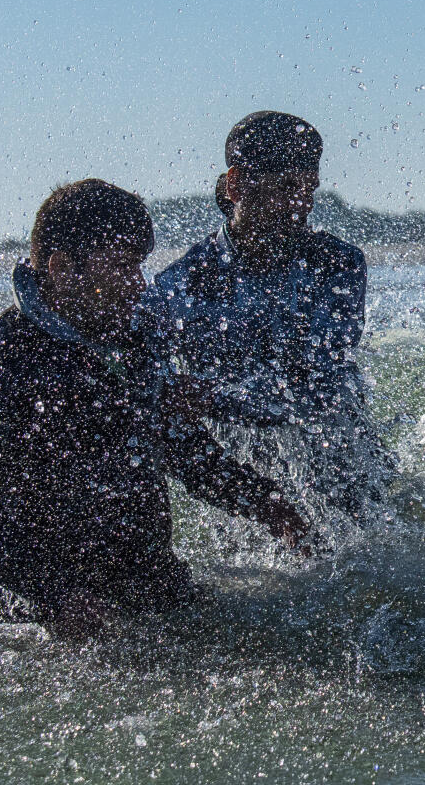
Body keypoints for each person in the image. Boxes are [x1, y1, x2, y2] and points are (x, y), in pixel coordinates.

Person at [0, 180, 309, 635]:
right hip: (48, 611)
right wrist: (53, 594)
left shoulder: (126, 341)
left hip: (153, 583)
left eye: (140, 267)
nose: (139, 285)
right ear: (61, 267)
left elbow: (178, 442)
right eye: (124, 268)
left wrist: (265, 503)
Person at [145, 111, 389, 514]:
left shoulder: (338, 264)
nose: (302, 206)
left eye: (309, 189)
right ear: (238, 184)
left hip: (347, 466)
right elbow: (154, 401)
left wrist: (210, 398)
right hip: (250, 485)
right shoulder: (179, 287)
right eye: (288, 187)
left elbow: (320, 387)